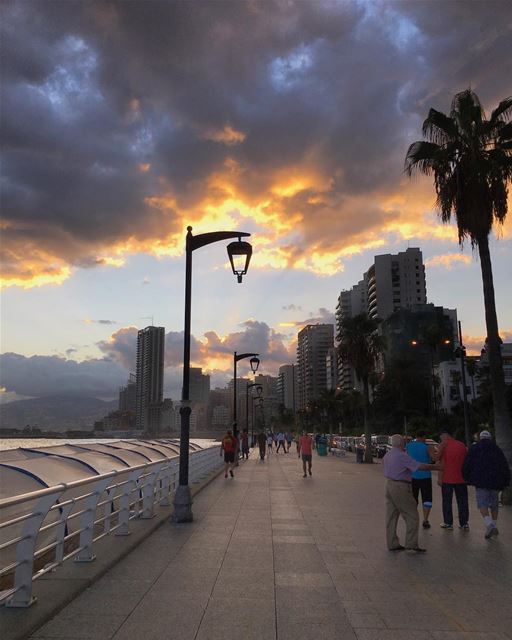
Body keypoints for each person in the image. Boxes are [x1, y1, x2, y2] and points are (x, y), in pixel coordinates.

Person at [383, 434, 438, 553]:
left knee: (391, 516)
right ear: (401, 443)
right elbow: (419, 466)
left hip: (389, 484)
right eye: (404, 441)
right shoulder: (402, 456)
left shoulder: (388, 455)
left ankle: (392, 543)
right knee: (412, 515)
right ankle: (411, 544)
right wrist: (436, 467)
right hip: (401, 486)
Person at [462, 429, 511, 539]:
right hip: (496, 482)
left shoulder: (474, 448)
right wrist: (506, 481)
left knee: (482, 503)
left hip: (480, 481)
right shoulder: (497, 449)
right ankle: (494, 524)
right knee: (494, 504)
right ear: (490, 438)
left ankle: (489, 524)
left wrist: (466, 477)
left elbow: (467, 464)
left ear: (480, 438)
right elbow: (504, 465)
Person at [435, 429, 469, 531]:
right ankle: (464, 524)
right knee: (462, 501)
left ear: (443, 436)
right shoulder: (462, 445)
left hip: (447, 478)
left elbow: (437, 459)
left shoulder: (443, 445)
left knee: (447, 502)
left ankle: (448, 523)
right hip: (461, 479)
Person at [406, 431, 435, 529]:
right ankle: (425, 520)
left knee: (413, 498)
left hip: (412, 476)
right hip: (425, 476)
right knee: (427, 499)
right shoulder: (427, 447)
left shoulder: (408, 446)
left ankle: (413, 519)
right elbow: (434, 458)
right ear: (423, 437)